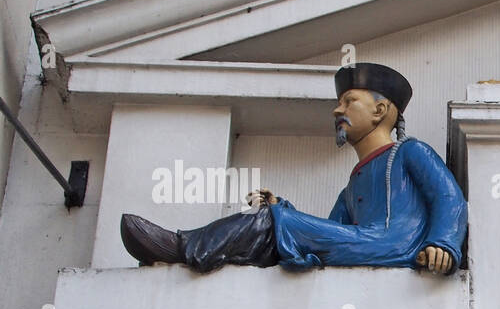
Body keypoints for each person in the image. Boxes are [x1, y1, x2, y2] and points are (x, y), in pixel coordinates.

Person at [120, 63, 468, 276]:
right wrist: (283, 209)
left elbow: (449, 198)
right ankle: (204, 252)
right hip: (365, 245)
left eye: (349, 102)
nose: (337, 111)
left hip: (394, 245)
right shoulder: (351, 186)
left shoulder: (411, 152)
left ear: (380, 111)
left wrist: (443, 244)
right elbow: (329, 233)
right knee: (277, 221)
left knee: (278, 221)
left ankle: (183, 248)